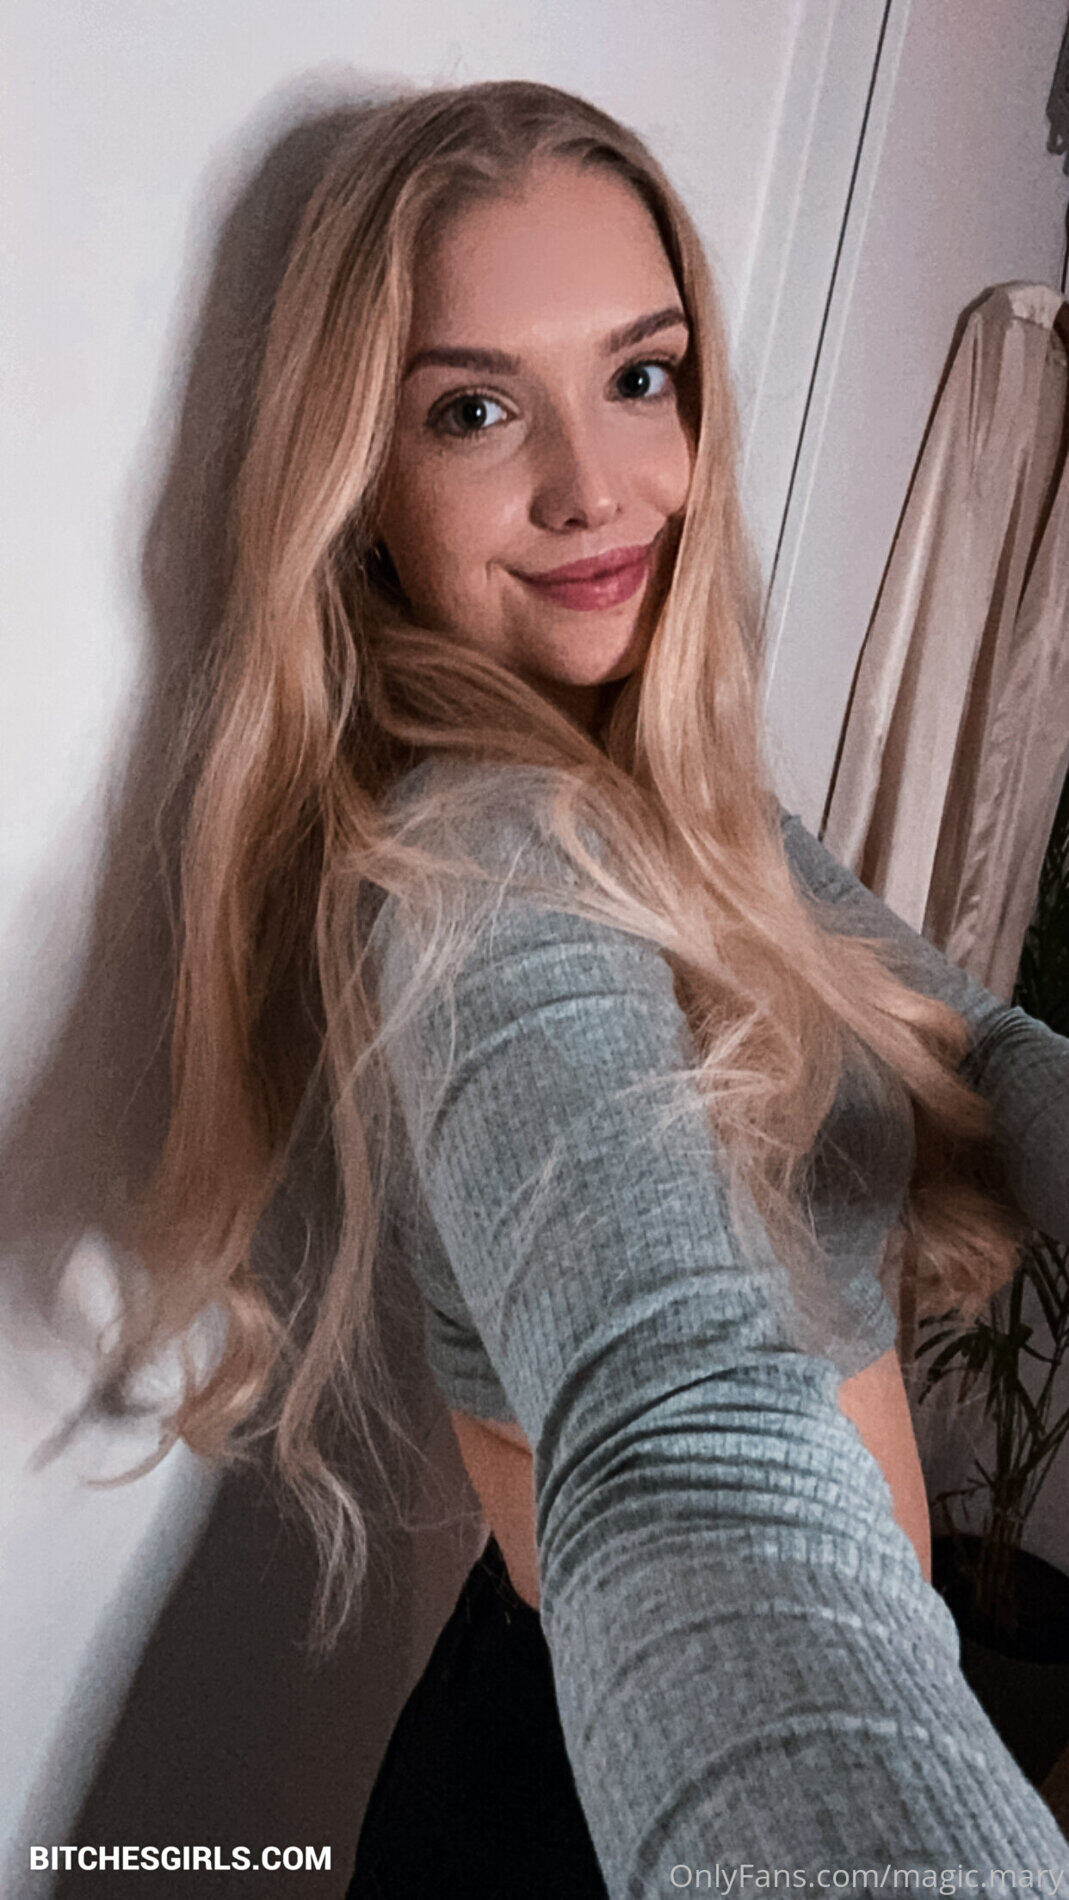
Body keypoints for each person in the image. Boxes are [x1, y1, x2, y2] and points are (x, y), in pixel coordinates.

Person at [115, 79, 1069, 1898]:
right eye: (473, 411)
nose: (592, 487)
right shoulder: (482, 858)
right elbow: (675, 1445)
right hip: (607, 1793)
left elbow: (985, 1044)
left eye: (640, 376)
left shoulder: (679, 803)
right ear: (359, 487)